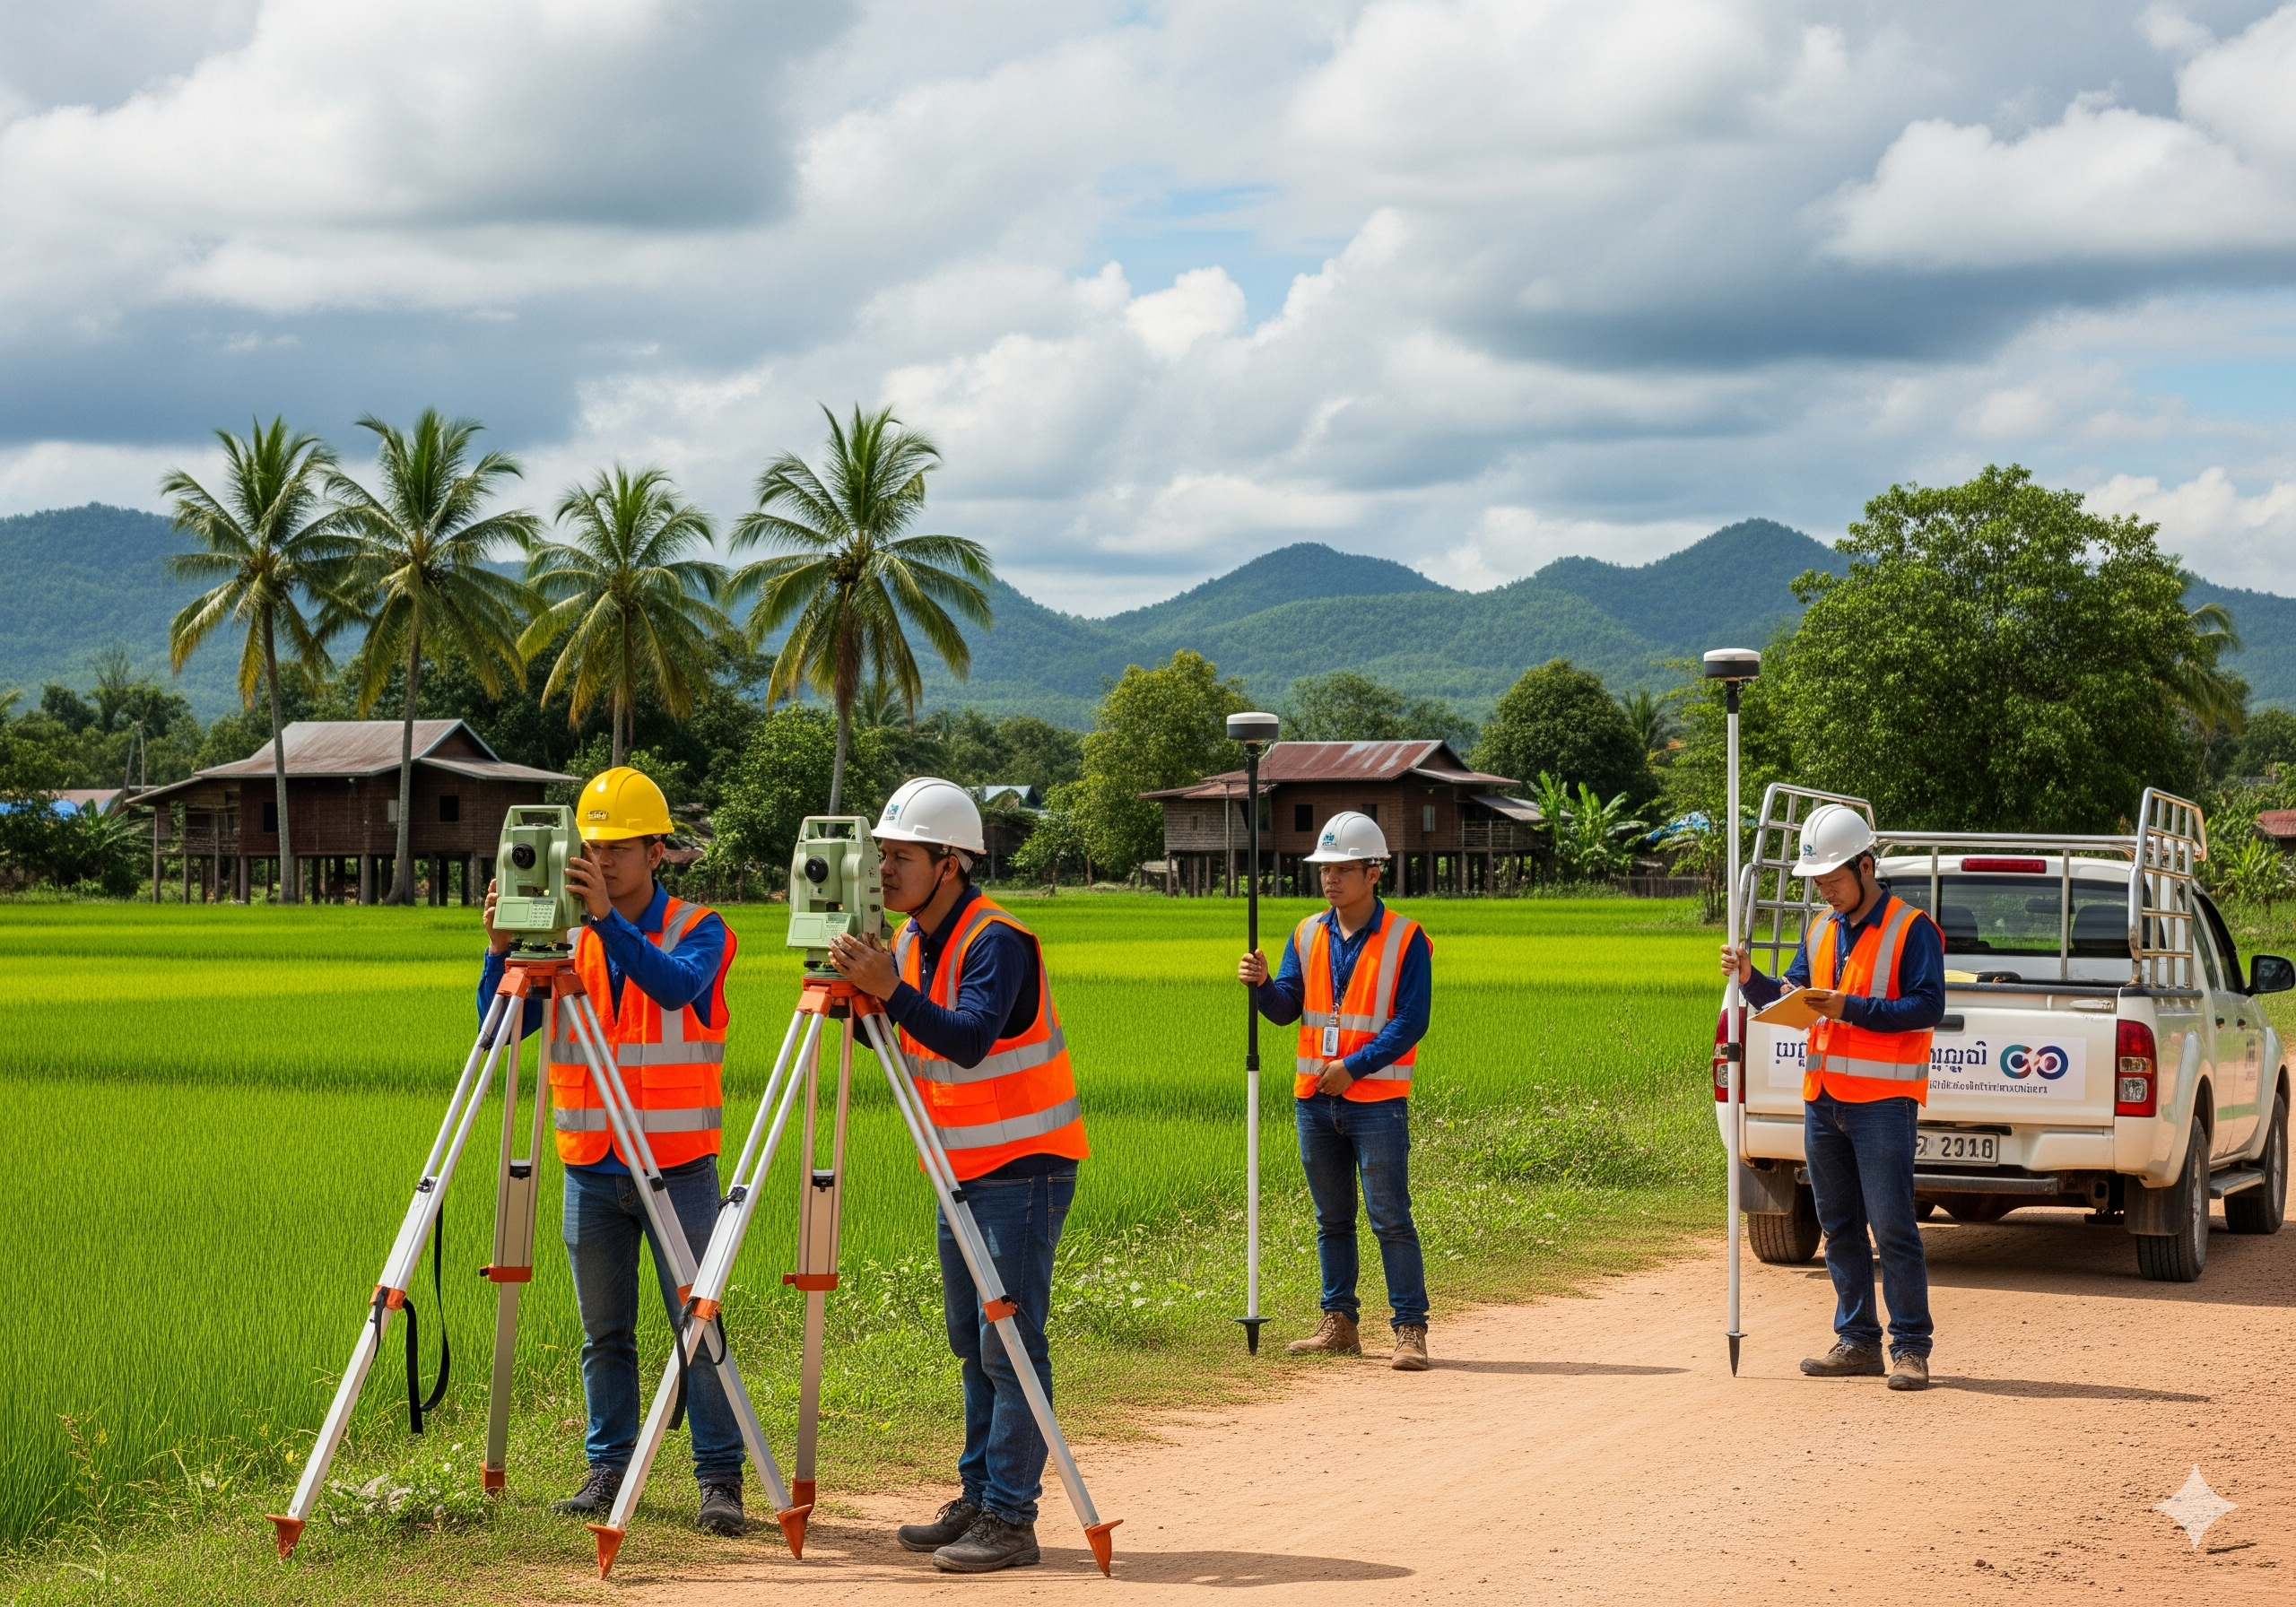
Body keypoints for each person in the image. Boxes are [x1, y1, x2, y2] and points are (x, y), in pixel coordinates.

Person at [823, 777, 1088, 1576]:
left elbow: (968, 1039)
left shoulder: (995, 939)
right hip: (960, 1168)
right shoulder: (909, 942)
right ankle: (979, 1496)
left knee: (1009, 1344)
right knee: (972, 1345)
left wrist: (888, 990)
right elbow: (911, 1036)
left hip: (1022, 1168)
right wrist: (857, 1004)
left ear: (950, 863)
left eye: (900, 857)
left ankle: (1012, 1518)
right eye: (881, 855)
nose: (883, 870)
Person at [478, 767, 748, 1533]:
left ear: (657, 852)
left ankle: (720, 1479)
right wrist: (501, 953)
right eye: (591, 848)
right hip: (590, 1164)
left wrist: (603, 922)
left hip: (677, 1167)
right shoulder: (565, 938)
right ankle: (609, 1467)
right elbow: (499, 1032)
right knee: (604, 1334)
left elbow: (675, 988)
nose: (601, 861)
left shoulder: (701, 928)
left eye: (619, 849)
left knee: (698, 1326)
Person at [1719, 802, 1944, 1392]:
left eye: (1833, 879)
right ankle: (1857, 1341)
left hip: (1883, 1103)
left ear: (1866, 866)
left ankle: (1911, 1348)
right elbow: (1794, 998)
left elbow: (1928, 1006)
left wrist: (1850, 1008)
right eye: (1817, 881)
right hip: (1822, 1101)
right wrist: (1751, 979)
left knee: (1893, 1228)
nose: (1825, 890)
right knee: (1839, 1225)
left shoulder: (1911, 929)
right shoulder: (1820, 927)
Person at [1236, 810, 1433, 1371]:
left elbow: (1411, 1020)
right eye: (1324, 868)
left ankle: (1410, 1329)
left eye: (1342, 869)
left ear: (1373, 872)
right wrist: (1262, 986)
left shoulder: (1406, 938)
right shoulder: (1305, 933)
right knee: (1332, 1220)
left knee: (1390, 1217)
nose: (1329, 878)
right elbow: (1286, 1009)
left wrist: (1354, 1066)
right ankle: (1339, 1322)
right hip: (1315, 1100)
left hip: (1377, 1102)